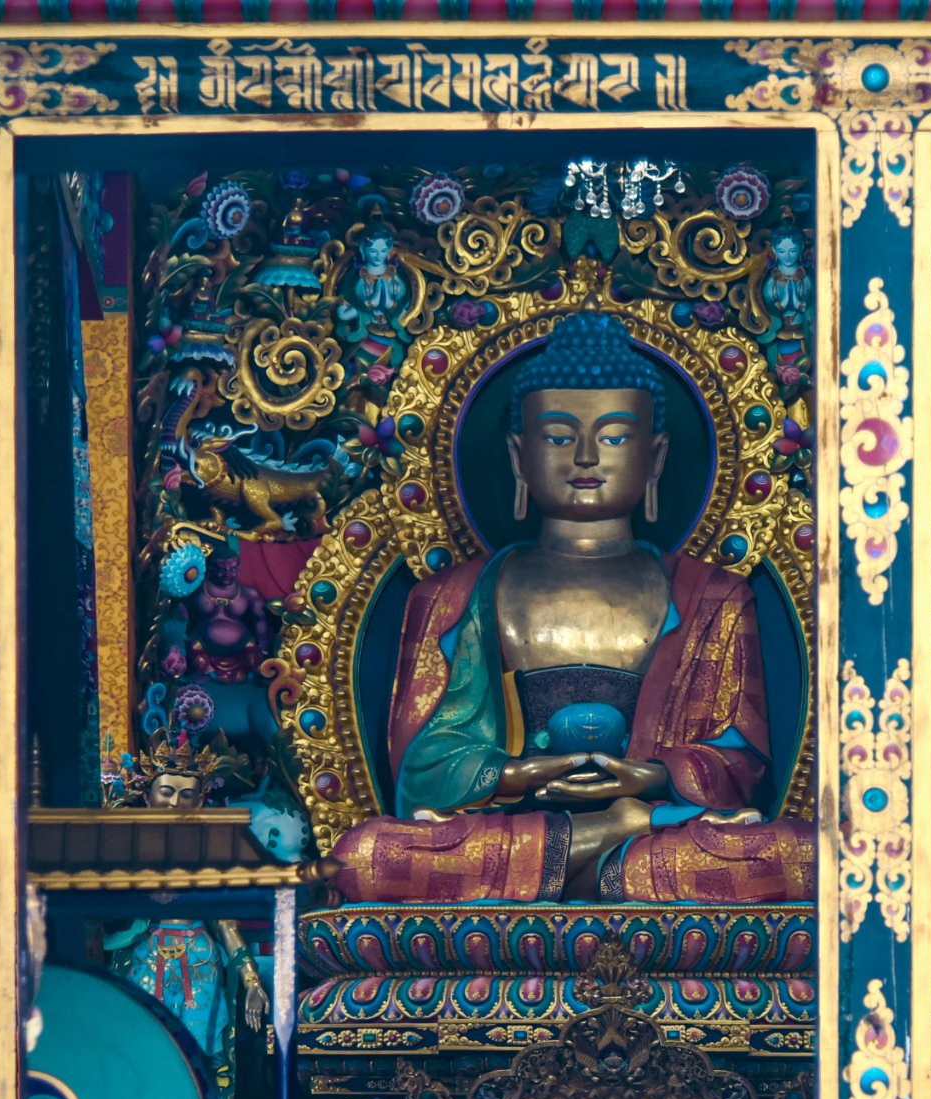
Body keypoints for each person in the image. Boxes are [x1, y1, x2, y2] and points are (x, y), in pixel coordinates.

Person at [326, 311, 815, 904]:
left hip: (657, 827)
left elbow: (739, 767)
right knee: (366, 857)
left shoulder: (714, 597)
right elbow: (424, 765)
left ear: (656, 457)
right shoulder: (454, 596)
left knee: (802, 857)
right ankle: (604, 849)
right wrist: (511, 775)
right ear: (517, 455)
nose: (585, 456)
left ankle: (596, 851)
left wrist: (654, 778)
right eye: (559, 436)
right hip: (517, 824)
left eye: (612, 437)